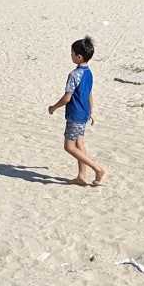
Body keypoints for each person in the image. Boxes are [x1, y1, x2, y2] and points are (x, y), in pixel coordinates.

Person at [47, 37, 105, 187]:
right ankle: (82, 176)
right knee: (79, 143)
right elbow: (89, 94)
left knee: (69, 146)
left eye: (72, 53)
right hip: (85, 112)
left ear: (79, 56)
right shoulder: (89, 73)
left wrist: (53, 107)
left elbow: (67, 98)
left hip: (76, 114)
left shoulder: (74, 75)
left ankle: (98, 169)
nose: (71, 55)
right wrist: (91, 111)